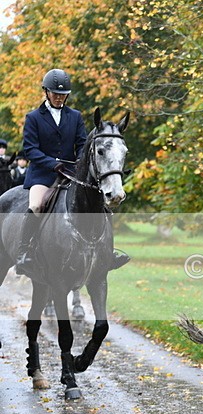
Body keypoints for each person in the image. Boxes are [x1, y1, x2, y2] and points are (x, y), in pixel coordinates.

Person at [16, 68, 129, 276]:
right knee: (36, 205)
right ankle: (25, 252)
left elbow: (82, 145)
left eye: (63, 95)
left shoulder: (75, 116)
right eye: (56, 94)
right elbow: (30, 149)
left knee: (101, 205)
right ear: (46, 92)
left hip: (70, 174)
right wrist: (52, 164)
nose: (60, 98)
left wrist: (79, 166)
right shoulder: (33, 117)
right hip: (42, 175)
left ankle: (108, 252)